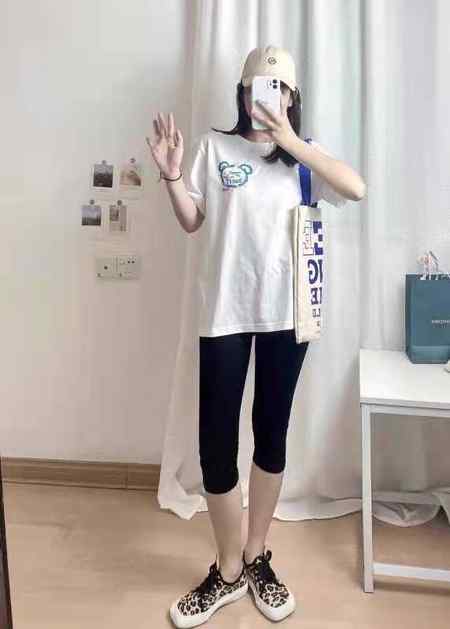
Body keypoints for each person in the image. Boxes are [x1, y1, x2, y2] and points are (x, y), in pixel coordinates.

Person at [147, 45, 366, 628]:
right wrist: (171, 174)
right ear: (242, 94)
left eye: (278, 89)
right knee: (215, 447)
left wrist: (292, 142)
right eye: (255, 88)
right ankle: (226, 570)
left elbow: (356, 188)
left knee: (271, 435)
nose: (265, 98)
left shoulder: (304, 158)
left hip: (286, 320)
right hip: (224, 314)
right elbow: (192, 220)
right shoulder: (214, 148)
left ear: (292, 98)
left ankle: (255, 554)